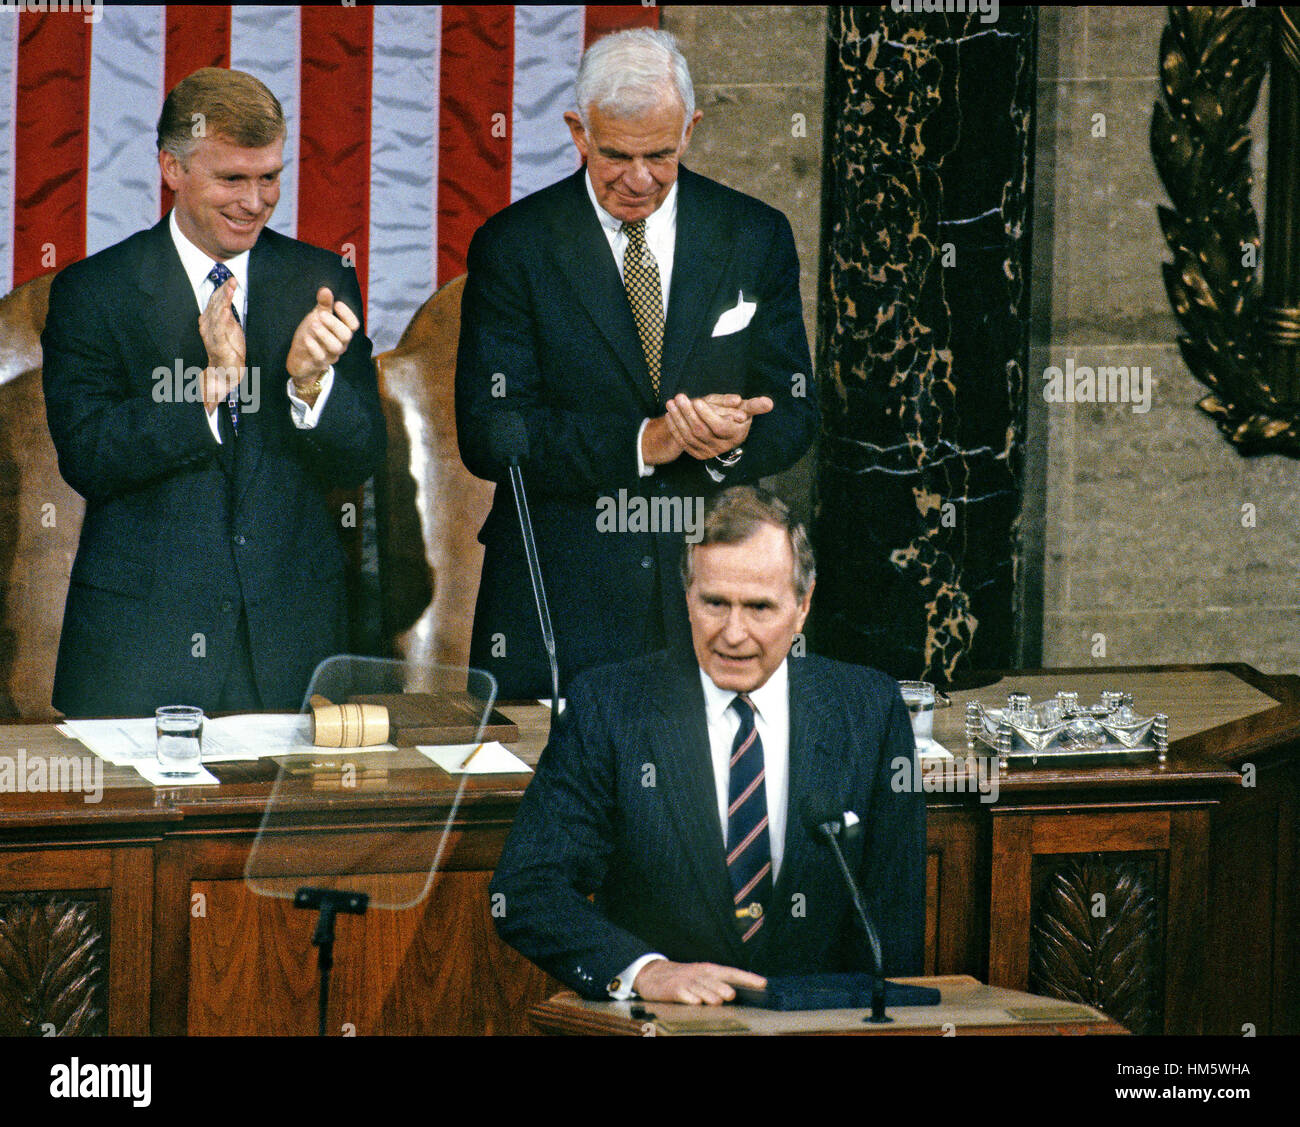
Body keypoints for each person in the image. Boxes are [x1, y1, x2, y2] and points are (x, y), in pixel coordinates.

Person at [455, 28, 817, 700]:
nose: (639, 179)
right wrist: (644, 443)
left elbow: (794, 410)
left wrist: (731, 445)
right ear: (578, 132)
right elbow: (490, 431)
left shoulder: (754, 234)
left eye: (659, 153)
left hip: (712, 597)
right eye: (616, 155)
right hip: (559, 603)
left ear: (690, 130)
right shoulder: (514, 245)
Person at [490, 486, 925, 1004]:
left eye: (760, 608)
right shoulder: (609, 707)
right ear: (687, 594)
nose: (733, 634)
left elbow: (893, 921)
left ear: (803, 606)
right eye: (715, 603)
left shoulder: (868, 709)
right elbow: (526, 890)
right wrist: (645, 972)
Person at [42, 67, 385, 717]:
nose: (255, 202)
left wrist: (311, 381)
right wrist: (206, 388)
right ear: (172, 168)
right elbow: (88, 455)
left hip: (292, 656)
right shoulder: (95, 291)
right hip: (140, 657)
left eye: (270, 178)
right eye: (233, 178)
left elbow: (361, 454)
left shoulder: (320, 279)